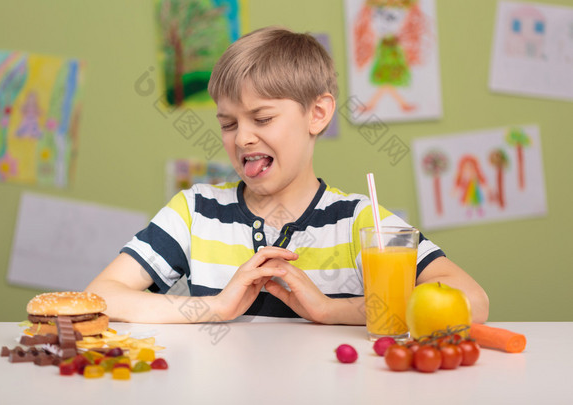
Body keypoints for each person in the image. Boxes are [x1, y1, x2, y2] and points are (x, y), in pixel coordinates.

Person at [85, 26, 489, 325]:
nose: (242, 137)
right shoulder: (194, 212)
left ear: (318, 114)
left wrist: (330, 310)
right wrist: (219, 307)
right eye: (228, 124)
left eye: (262, 118)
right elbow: (99, 297)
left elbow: (472, 300)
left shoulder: (359, 222)